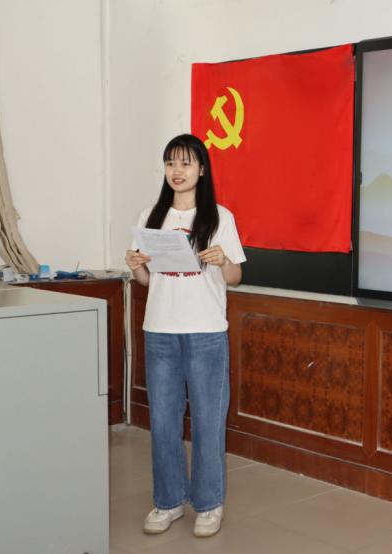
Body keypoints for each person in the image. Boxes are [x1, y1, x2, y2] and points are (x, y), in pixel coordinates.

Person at [125, 133, 246, 538]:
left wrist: (222, 260)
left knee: (209, 421)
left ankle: (209, 504)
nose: (177, 171)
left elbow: (235, 277)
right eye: (170, 163)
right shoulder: (150, 215)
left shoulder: (219, 217)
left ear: (202, 169)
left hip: (206, 331)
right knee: (163, 421)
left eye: (185, 163)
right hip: (160, 330)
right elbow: (146, 280)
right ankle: (168, 501)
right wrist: (134, 264)